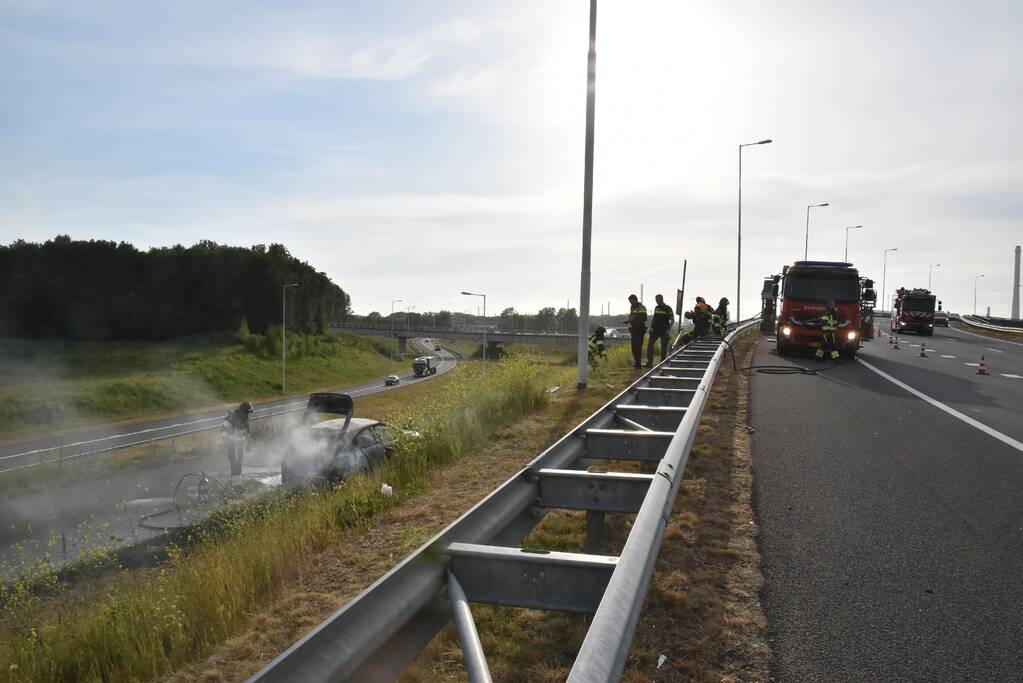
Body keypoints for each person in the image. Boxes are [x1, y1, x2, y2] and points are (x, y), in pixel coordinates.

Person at [221, 401, 253, 476]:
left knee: (240, 459)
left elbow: (246, 431)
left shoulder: (244, 419)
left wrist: (249, 443)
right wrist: (230, 441)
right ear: (243, 411)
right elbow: (224, 432)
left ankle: (238, 475)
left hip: (239, 443)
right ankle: (234, 476)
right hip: (231, 443)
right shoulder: (232, 418)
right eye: (247, 412)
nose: (248, 415)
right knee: (233, 461)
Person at [646, 293, 674, 367]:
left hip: (664, 330)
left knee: (663, 348)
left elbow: (672, 320)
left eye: (658, 299)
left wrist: (669, 329)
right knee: (650, 346)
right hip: (655, 330)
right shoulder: (656, 307)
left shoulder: (668, 308)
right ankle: (649, 363)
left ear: (662, 299)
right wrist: (650, 327)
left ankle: (662, 364)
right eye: (656, 300)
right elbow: (654, 318)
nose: (657, 301)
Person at [623, 294, 648, 369]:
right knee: (639, 347)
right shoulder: (643, 307)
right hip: (641, 329)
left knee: (634, 346)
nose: (630, 302)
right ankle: (638, 364)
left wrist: (626, 322)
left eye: (630, 301)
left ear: (634, 299)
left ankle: (637, 364)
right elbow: (645, 318)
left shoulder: (634, 306)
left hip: (636, 329)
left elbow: (632, 317)